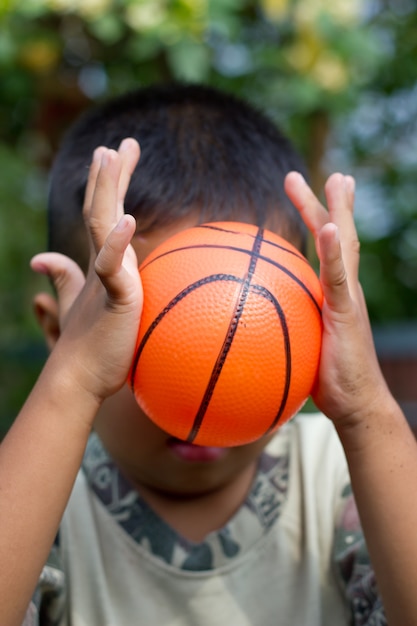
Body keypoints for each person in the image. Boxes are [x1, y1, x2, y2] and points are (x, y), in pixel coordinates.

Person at [1, 84, 417, 626]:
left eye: (252, 331)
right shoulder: (42, 491)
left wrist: (366, 410)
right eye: (149, 331)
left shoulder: (342, 474)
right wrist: (73, 381)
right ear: (63, 333)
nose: (207, 385)